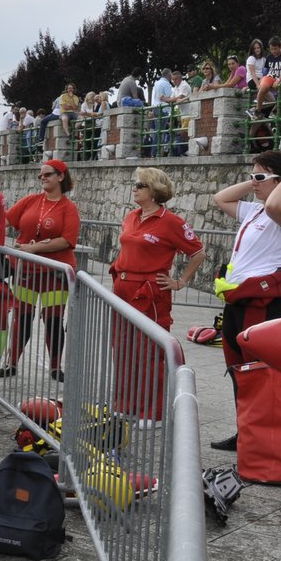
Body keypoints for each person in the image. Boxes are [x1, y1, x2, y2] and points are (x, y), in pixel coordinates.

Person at [209, 150, 281, 450]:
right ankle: (245, 433)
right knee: (238, 369)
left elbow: (277, 203)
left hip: (261, 302)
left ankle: (260, 439)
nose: (254, 182)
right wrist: (254, 180)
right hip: (237, 298)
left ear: (280, 180)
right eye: (252, 175)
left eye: (260, 177)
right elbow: (220, 198)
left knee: (257, 371)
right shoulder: (253, 210)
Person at [109, 166, 203, 420]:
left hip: (149, 292)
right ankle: (123, 405)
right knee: (123, 349)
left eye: (140, 185)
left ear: (153, 190)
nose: (134, 188)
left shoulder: (170, 222)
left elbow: (197, 252)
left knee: (148, 352)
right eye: (135, 184)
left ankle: (152, 412)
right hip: (124, 288)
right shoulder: (131, 216)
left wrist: (180, 281)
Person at [0, 158, 81, 381]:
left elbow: (67, 241)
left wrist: (33, 248)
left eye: (47, 174)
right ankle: (11, 363)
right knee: (22, 318)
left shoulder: (68, 208)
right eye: (40, 175)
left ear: (61, 177)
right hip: (25, 272)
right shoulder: (30, 201)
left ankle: (55, 367)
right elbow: (4, 221)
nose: (42, 178)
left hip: (54, 275)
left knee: (53, 320)